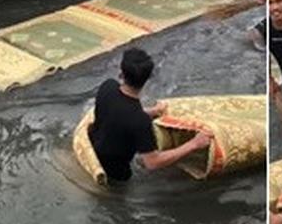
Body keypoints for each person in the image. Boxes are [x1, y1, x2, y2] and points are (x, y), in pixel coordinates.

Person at [87, 48, 212, 182]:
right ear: (147, 79)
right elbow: (153, 162)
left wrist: (153, 111)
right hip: (116, 177)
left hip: (92, 157)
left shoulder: (107, 87)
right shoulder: (141, 121)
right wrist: (194, 144)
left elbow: (118, 112)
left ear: (121, 73)